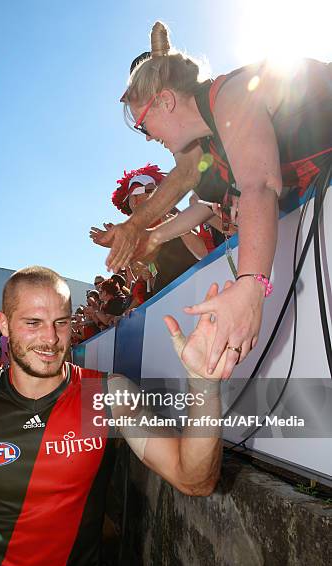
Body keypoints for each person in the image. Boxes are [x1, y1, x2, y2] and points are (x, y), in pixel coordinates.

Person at [0, 265, 225, 566]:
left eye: (61, 322)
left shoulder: (103, 395)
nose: (51, 338)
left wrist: (203, 385)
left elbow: (194, 480)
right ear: (4, 323)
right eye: (33, 323)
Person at [98, 21, 332, 379]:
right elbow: (187, 177)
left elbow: (259, 185)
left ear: (166, 101)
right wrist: (142, 231)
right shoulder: (208, 136)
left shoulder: (231, 95)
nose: (147, 140)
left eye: (144, 126)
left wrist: (251, 286)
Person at [91, 164, 203, 294]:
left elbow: (202, 248)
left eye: (138, 193)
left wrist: (179, 228)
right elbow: (151, 265)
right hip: (168, 293)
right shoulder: (139, 230)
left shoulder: (171, 213)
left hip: (196, 280)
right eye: (131, 197)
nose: (133, 200)